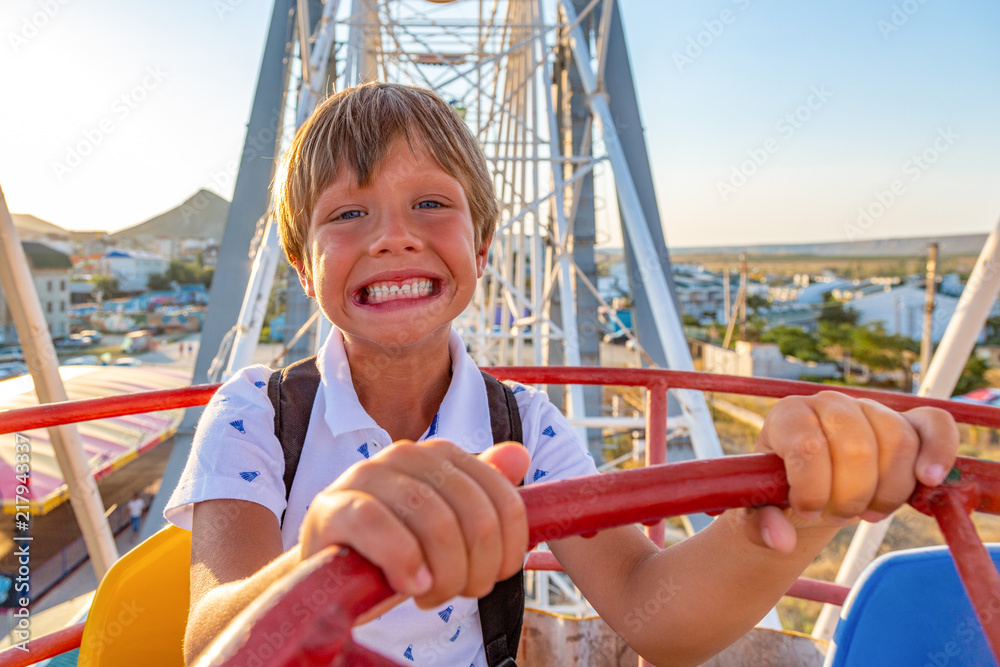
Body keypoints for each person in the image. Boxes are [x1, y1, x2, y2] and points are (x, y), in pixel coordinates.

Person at [165, 83, 959, 666]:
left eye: (432, 204)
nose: (393, 237)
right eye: (348, 214)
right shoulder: (256, 415)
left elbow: (653, 608)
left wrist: (794, 508)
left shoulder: (525, 426)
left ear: (482, 252)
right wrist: (316, 558)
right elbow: (210, 634)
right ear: (304, 268)